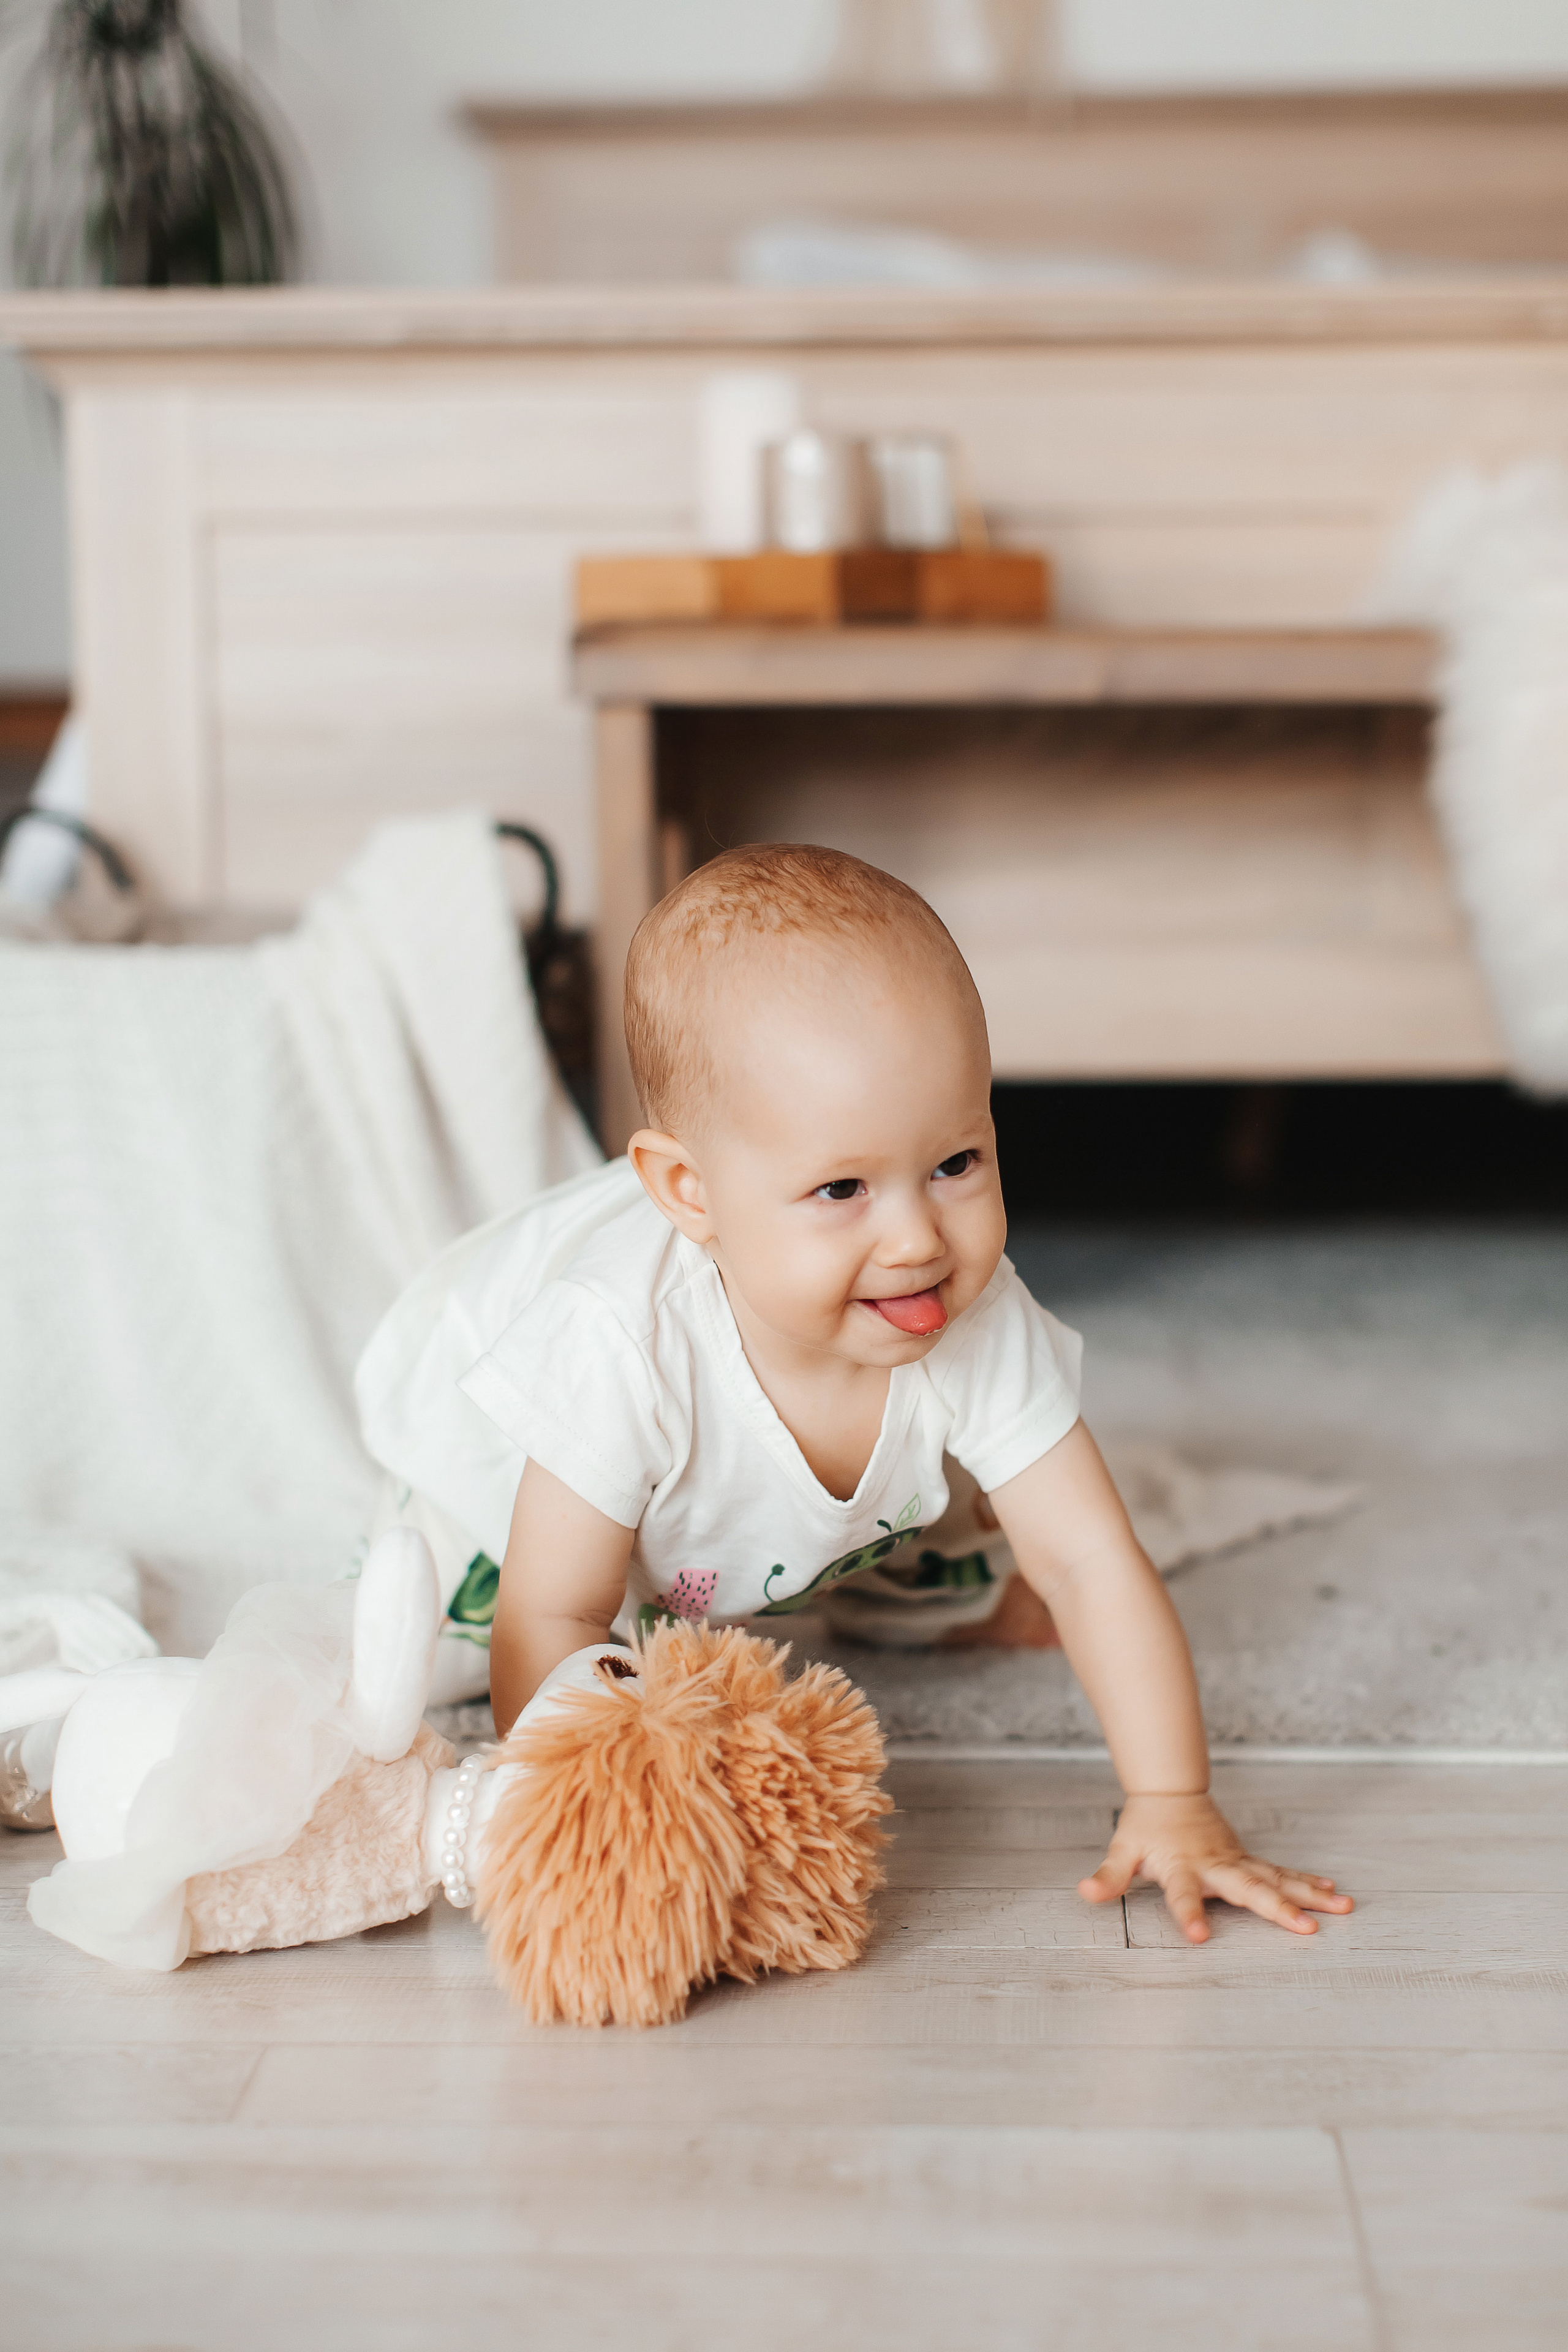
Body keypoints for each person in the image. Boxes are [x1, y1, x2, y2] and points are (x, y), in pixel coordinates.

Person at [358, 843, 1352, 1945]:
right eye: (842, 1188)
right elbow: (558, 1612)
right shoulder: (617, 1343)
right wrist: (584, 1809)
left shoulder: (968, 1314)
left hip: (750, 1512)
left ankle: (901, 1580)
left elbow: (1088, 1558)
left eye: (957, 1163)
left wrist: (1175, 1803)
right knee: (470, 1638)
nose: (919, 1239)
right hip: (510, 1487)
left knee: (969, 1544)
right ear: (692, 1193)